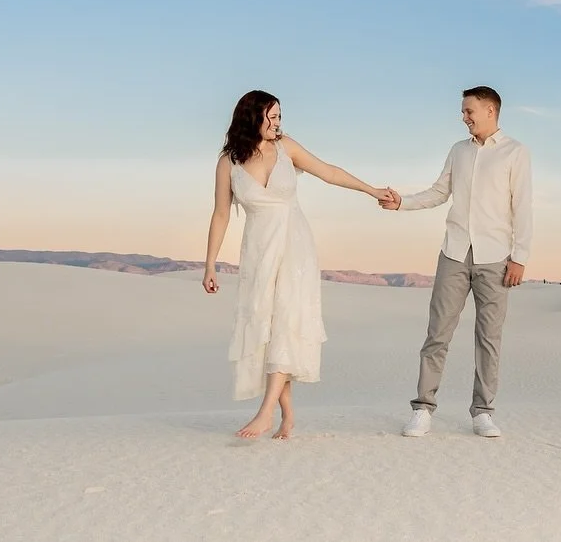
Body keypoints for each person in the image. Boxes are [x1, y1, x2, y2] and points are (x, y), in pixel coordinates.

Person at [203, 90, 391, 440]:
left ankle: (265, 413)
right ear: (250, 118)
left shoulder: (286, 147)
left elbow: (330, 173)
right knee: (268, 326)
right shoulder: (228, 161)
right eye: (270, 117)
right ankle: (287, 414)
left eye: (279, 117)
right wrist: (210, 264)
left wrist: (372, 190)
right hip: (259, 249)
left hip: (294, 244)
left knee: (286, 320)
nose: (277, 123)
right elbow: (220, 213)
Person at [379, 85, 533, 438]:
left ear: (490, 111)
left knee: (489, 338)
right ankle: (422, 408)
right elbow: (439, 192)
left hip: (496, 257)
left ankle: (483, 412)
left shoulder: (516, 152)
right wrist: (403, 203)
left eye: (469, 111)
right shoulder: (458, 151)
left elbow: (522, 206)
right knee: (437, 333)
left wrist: (520, 257)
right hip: (454, 252)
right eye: (463, 112)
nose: (464, 117)